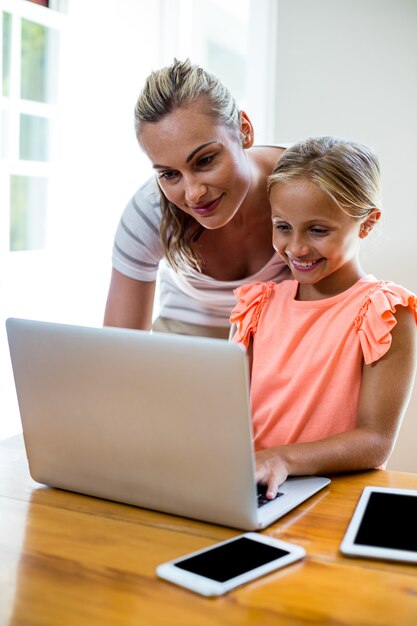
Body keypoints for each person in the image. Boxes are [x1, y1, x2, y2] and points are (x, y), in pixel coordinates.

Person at [230, 136, 417, 499]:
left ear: (367, 224)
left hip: (337, 495)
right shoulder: (257, 305)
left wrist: (281, 459)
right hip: (258, 490)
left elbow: (376, 440)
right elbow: (229, 415)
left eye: (317, 230)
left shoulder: (384, 313)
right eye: (282, 226)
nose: (296, 248)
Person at [103, 59, 290, 338]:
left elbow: (336, 309)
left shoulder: (305, 187)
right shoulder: (150, 211)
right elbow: (118, 348)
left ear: (244, 130)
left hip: (278, 336)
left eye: (205, 160)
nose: (193, 194)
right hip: (184, 343)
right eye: (169, 174)